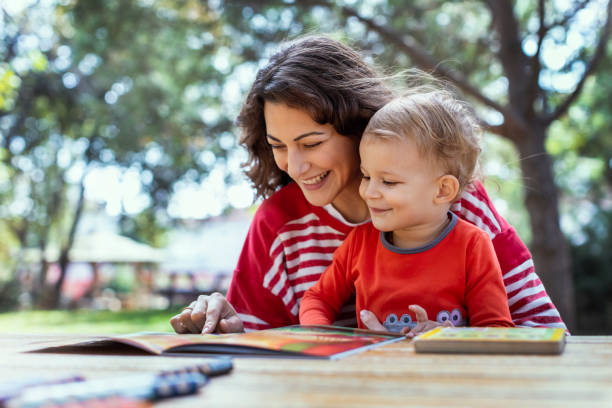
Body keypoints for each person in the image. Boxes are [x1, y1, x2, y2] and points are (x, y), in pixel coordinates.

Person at [169, 35, 566, 335]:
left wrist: (449, 340)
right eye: (278, 147)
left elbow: (545, 328)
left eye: (312, 143)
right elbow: (263, 351)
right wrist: (228, 327)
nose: (296, 165)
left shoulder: (457, 202)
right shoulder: (279, 226)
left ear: (359, 128)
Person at [299, 89, 514, 337]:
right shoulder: (360, 243)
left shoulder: (473, 246)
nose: (369, 192)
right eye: (367, 176)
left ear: (443, 189)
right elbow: (317, 299)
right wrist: (321, 335)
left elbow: (497, 330)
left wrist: (446, 336)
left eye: (388, 182)